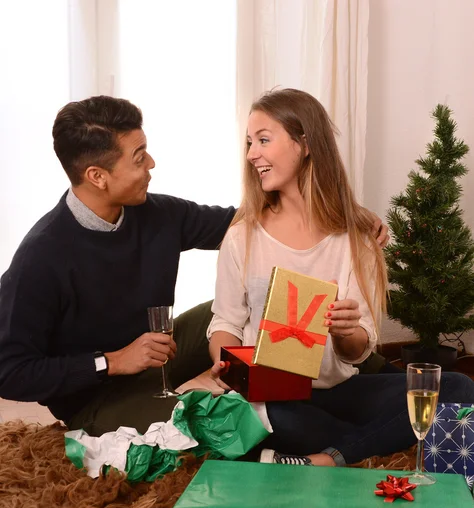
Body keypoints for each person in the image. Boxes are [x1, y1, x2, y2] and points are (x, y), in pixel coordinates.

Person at [0, 95, 389, 437]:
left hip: (159, 358)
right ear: (97, 177)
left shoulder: (156, 214)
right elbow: (10, 371)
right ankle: (330, 424)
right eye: (139, 158)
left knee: (237, 310)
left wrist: (347, 214)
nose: (152, 163)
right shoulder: (42, 257)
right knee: (214, 421)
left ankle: (366, 369)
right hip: (97, 396)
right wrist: (113, 361)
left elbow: (251, 222)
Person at [208, 88, 474, 467]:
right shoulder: (242, 236)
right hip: (273, 398)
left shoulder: (355, 240)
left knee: (456, 387)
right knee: (280, 419)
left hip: (337, 388)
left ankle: (327, 457)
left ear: (305, 143)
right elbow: (226, 323)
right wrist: (227, 363)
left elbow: (358, 351)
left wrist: (345, 330)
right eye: (250, 143)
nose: (251, 154)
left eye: (263, 140)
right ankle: (360, 444)